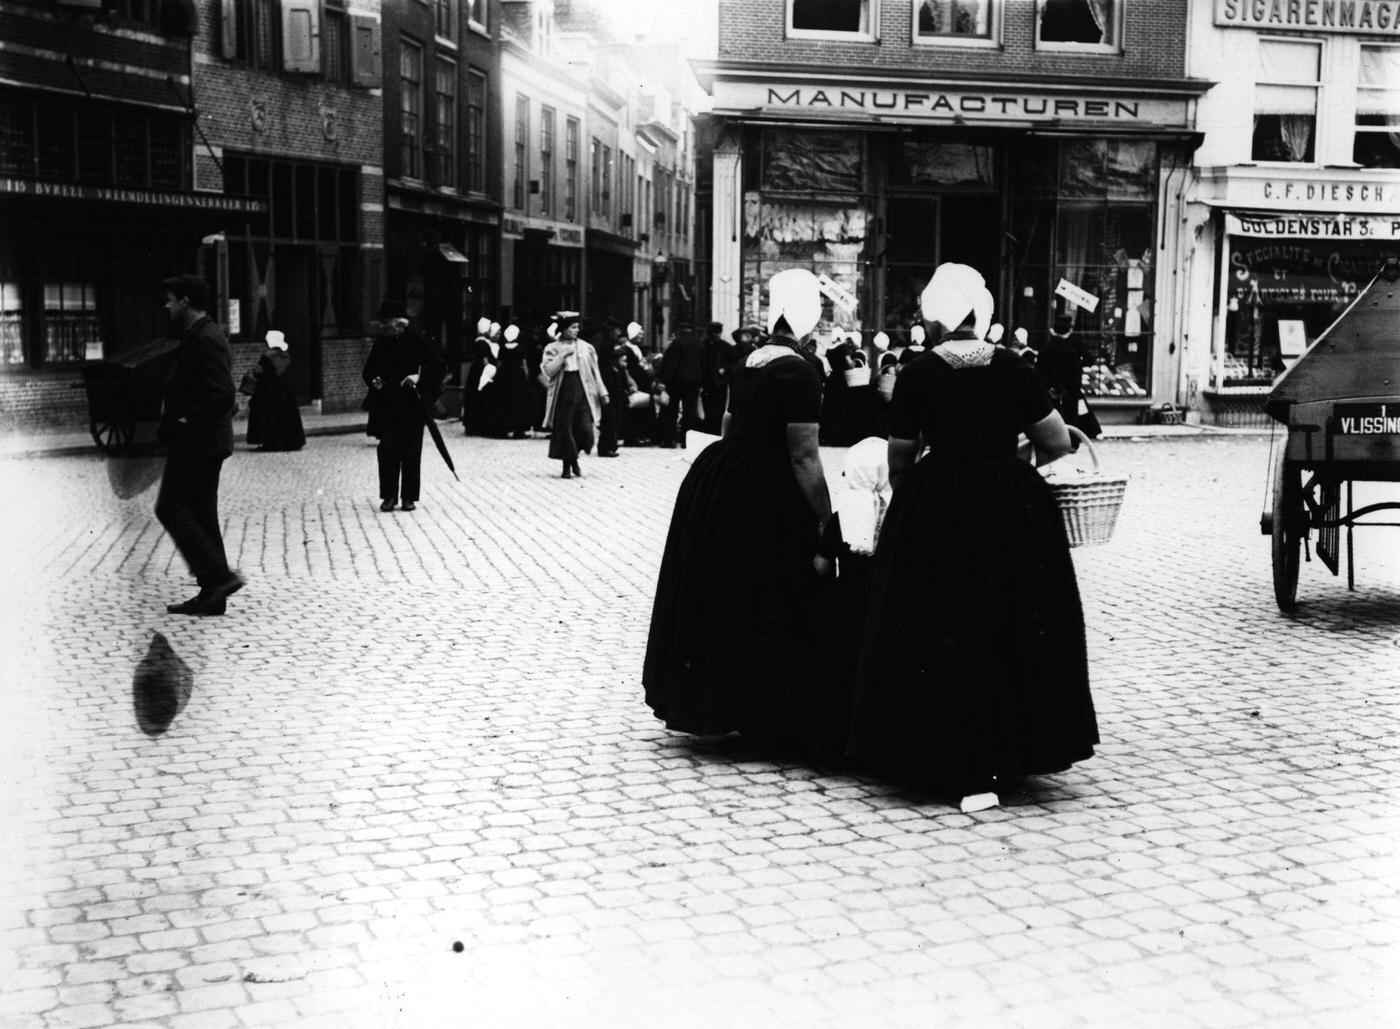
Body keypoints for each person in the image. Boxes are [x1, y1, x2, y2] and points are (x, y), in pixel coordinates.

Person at [847, 263, 1097, 813]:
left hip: (936, 505)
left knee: (938, 624)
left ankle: (934, 749)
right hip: (1009, 506)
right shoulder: (1011, 366)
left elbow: (900, 457)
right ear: (976, 314)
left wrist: (914, 503)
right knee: (1009, 621)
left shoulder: (917, 373)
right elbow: (1057, 442)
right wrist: (1013, 459)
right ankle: (1008, 746)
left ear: (935, 320)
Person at [643, 268, 832, 741]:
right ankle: (765, 710)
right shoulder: (801, 370)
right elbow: (804, 455)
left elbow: (729, 423)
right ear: (808, 316)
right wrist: (828, 519)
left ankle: (721, 702)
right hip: (770, 485)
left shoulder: (748, 361)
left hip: (727, 478)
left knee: (730, 592)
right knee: (771, 593)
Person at [154, 274, 243, 616]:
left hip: (196, 443)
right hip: (204, 443)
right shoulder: (200, 335)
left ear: (185, 301)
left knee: (170, 507)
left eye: (170, 300)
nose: (167, 306)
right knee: (202, 515)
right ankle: (213, 596)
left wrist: (185, 421)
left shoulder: (205, 338)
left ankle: (219, 577)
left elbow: (222, 393)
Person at [362, 299, 446, 512]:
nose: (381, 325)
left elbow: (438, 367)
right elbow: (368, 371)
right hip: (387, 405)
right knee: (388, 448)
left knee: (411, 450)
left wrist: (418, 377)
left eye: (385, 321)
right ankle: (389, 496)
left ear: (398, 323)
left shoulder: (418, 342)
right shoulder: (380, 344)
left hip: (412, 405)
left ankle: (408, 497)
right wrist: (375, 380)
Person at [540, 312, 609, 479]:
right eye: (573, 327)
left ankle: (574, 456)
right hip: (563, 391)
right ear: (563, 329)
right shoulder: (552, 348)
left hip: (583, 389)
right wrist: (562, 355)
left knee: (586, 429)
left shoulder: (586, 347)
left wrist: (603, 392)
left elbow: (595, 371)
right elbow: (548, 371)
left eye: (578, 327)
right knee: (565, 428)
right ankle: (567, 465)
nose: (576, 330)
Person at [1038, 314, 1101, 442]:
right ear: (1069, 328)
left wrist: (1048, 386)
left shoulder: (1047, 347)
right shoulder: (1073, 347)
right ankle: (1073, 440)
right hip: (1069, 386)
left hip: (1052, 386)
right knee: (1072, 413)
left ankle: (1054, 439)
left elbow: (1040, 370)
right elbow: (1086, 362)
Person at [241, 329, 305, 452]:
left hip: (268, 392)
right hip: (285, 393)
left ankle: (270, 442)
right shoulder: (285, 356)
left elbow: (263, 375)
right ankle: (289, 442)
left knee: (269, 417)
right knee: (285, 417)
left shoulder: (267, 357)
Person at [657, 322, 705, 448]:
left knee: (671, 411)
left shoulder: (676, 343)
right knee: (690, 412)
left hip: (676, 382)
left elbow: (670, 364)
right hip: (693, 382)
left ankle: (669, 440)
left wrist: (664, 381)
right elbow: (703, 364)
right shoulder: (698, 343)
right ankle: (686, 441)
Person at [490, 324, 534, 439]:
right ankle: (518, 430)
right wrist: (527, 378)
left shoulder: (502, 348)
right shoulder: (520, 349)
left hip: (504, 376)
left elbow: (499, 364)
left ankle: (502, 429)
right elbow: (524, 365)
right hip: (517, 377)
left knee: (504, 401)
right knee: (518, 403)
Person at [593, 317, 629, 457]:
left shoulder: (606, 340)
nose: (619, 334)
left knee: (613, 414)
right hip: (605, 382)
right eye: (617, 330)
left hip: (612, 381)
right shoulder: (601, 340)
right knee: (609, 416)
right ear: (613, 329)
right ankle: (605, 447)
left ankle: (610, 445)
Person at [699, 321, 728, 435]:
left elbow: (733, 362)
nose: (718, 335)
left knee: (719, 408)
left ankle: (716, 431)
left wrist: (725, 369)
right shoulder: (703, 345)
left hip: (719, 382)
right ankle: (710, 430)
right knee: (708, 408)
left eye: (719, 333)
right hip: (708, 382)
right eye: (715, 333)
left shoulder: (725, 346)